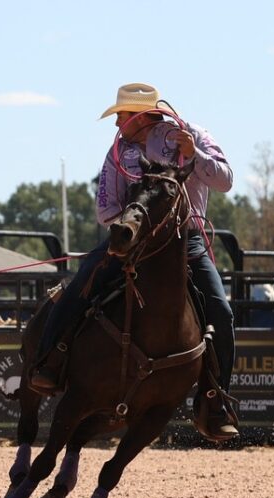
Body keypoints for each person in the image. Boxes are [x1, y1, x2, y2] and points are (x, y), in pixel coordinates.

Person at [28, 82, 236, 441]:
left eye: (121, 116)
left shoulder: (191, 135)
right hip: (131, 243)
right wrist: (135, 222)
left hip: (186, 242)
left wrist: (195, 156)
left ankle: (214, 400)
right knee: (80, 284)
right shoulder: (118, 152)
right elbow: (105, 209)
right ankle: (51, 361)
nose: (116, 124)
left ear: (141, 115)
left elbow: (225, 181)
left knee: (220, 310)